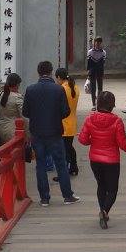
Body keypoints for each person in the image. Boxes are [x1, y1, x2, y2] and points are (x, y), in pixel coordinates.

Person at [22, 60, 80, 207]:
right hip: (55, 132)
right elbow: (65, 111)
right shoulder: (58, 89)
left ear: (38, 72)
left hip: (37, 133)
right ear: (51, 72)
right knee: (61, 164)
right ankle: (67, 196)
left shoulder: (30, 89)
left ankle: (44, 198)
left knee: (40, 165)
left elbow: (25, 112)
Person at [78, 90, 126, 228]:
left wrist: (93, 141)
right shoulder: (117, 121)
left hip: (95, 159)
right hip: (111, 161)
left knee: (101, 185)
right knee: (112, 190)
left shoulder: (89, 119)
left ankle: (102, 212)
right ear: (112, 105)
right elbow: (122, 144)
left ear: (98, 103)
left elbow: (82, 139)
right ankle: (104, 212)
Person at [56, 67, 80, 178]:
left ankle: (63, 172)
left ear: (59, 77)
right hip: (72, 122)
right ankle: (74, 168)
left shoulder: (61, 89)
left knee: (64, 150)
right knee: (69, 147)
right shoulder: (75, 87)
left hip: (63, 123)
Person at [0, 73, 24, 152]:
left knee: (5, 153)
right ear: (17, 85)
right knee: (14, 153)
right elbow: (23, 116)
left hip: (0, 128)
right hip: (13, 129)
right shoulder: (17, 97)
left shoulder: (1, 94)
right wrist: (28, 133)